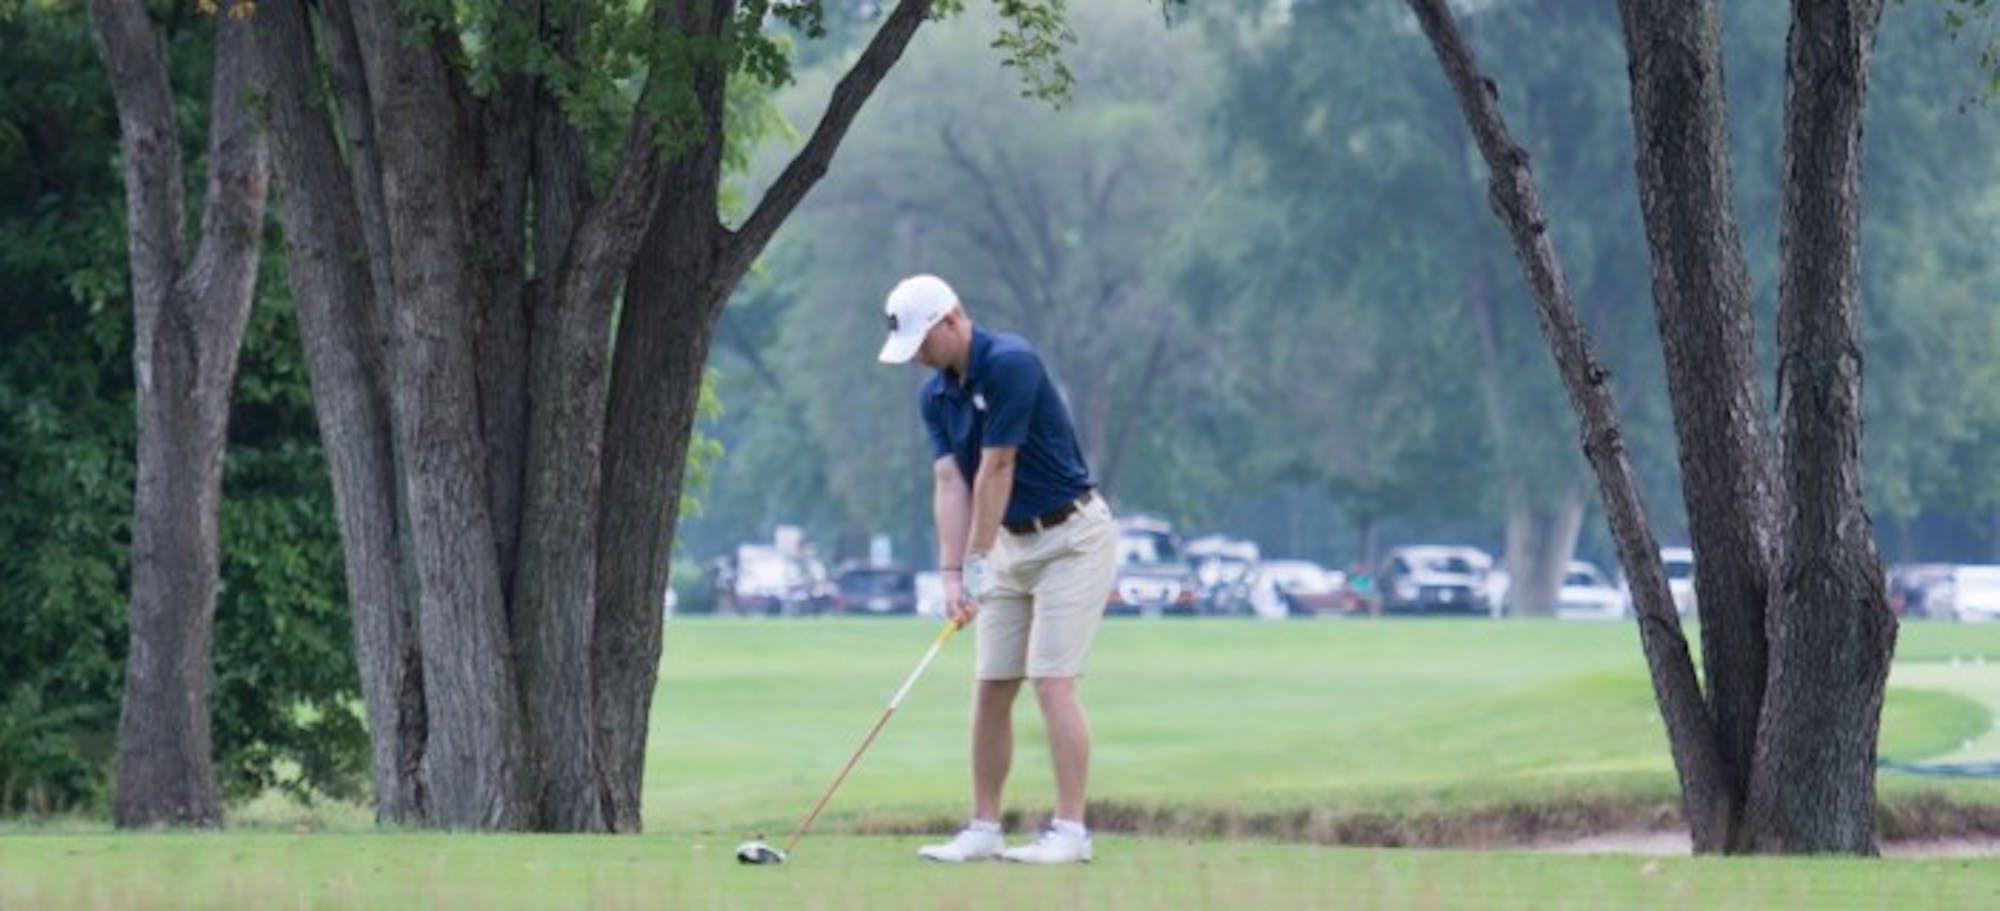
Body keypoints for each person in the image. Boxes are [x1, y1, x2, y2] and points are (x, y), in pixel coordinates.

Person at [876, 273, 1118, 864]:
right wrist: (953, 574)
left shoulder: (1012, 362)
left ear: (951, 321)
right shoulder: (934, 395)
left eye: (923, 344)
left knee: (1052, 681)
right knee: (991, 686)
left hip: (1071, 538)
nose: (918, 361)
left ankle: (1070, 832)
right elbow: (950, 481)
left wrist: (978, 562)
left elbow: (997, 467)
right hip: (1007, 546)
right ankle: (984, 827)